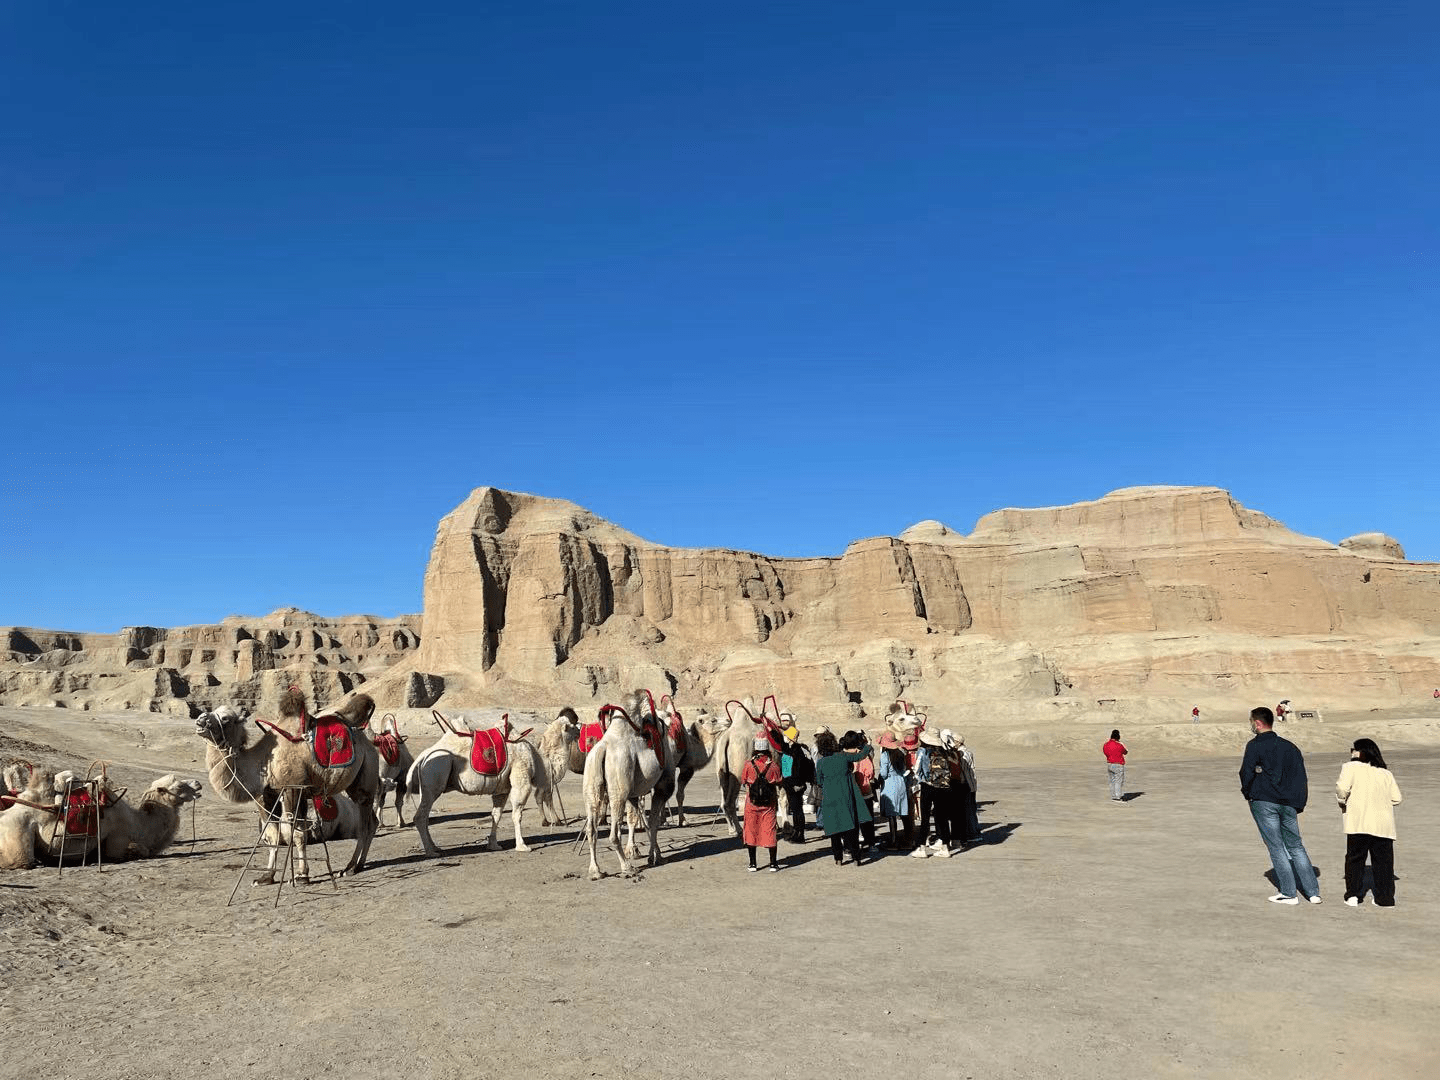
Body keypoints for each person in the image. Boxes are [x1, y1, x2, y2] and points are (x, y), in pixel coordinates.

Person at [1239, 706, 1321, 905]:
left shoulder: (1255, 745)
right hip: (1289, 803)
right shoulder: (1290, 747)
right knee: (1296, 846)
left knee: (1276, 847)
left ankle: (1289, 893)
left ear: (1257, 723)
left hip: (1265, 801)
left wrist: (1249, 793)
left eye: (1252, 722)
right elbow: (1301, 777)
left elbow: (1246, 773)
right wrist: (1298, 803)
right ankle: (1313, 893)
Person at [1336, 738, 1403, 907]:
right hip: (1383, 825)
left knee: (1355, 860)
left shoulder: (1350, 767)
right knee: (1384, 863)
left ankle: (1353, 895)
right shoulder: (1385, 773)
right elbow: (1396, 798)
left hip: (1359, 823)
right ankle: (1385, 898)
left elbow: (1342, 789)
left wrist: (1343, 801)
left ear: (1359, 751)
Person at [814, 730, 872, 865]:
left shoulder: (821, 763)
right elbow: (861, 755)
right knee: (850, 828)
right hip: (845, 796)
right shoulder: (843, 756)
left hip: (829, 798)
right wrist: (868, 745)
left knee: (834, 831)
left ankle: (838, 858)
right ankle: (857, 857)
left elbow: (819, 781)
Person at [740, 736, 783, 872]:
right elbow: (778, 781)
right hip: (768, 805)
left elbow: (744, 781)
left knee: (751, 831)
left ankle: (753, 863)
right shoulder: (773, 765)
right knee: (770, 831)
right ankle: (773, 863)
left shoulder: (748, 765)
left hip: (751, 804)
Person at [910, 730, 954, 858]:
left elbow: (917, 769)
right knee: (942, 818)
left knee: (925, 819)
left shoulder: (923, 751)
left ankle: (921, 848)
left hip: (928, 787)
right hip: (943, 787)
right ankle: (945, 848)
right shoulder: (944, 751)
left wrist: (917, 782)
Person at [838, 730, 877, 850]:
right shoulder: (864, 757)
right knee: (867, 820)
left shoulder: (843, 756)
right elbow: (870, 773)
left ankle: (850, 845)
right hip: (865, 791)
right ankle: (870, 843)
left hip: (850, 792)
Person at [874, 732, 912, 850]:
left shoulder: (885, 755)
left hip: (890, 784)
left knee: (891, 815)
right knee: (903, 812)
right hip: (901, 782)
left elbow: (884, 773)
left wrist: (879, 780)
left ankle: (894, 841)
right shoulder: (900, 753)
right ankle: (908, 839)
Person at [778, 721, 813, 844]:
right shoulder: (791, 748)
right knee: (795, 810)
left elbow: (798, 770)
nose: (785, 738)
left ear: (790, 738)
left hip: (795, 786)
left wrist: (797, 785)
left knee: (798, 811)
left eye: (787, 736)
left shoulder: (798, 751)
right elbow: (781, 743)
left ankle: (800, 834)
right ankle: (797, 832)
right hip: (790, 786)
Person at [943, 730, 980, 843]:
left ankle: (972, 834)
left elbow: (962, 771)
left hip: (966, 785)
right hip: (971, 784)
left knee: (967, 811)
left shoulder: (962, 754)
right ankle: (973, 832)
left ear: (958, 742)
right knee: (970, 810)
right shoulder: (968, 752)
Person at [1103, 729, 1127, 801]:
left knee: (1112, 781)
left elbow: (1105, 752)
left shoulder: (1106, 744)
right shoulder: (1119, 745)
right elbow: (1125, 752)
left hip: (1110, 764)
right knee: (1118, 781)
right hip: (1118, 764)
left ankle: (1113, 795)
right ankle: (1118, 796)